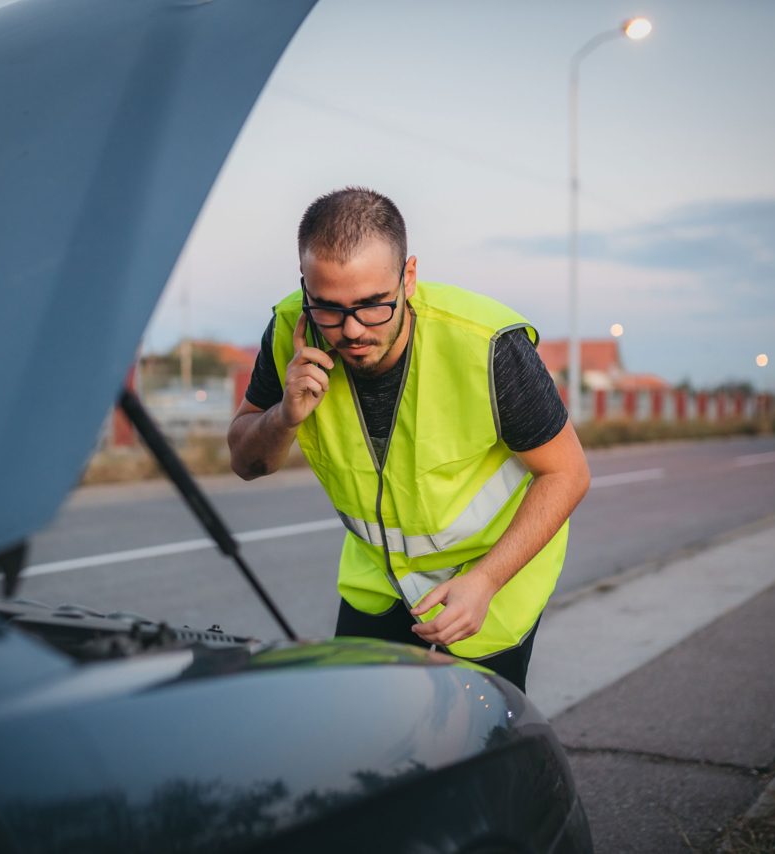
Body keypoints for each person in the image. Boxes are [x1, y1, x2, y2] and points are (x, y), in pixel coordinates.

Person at [227, 187, 590, 692]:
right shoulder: (291, 328)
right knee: (361, 742)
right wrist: (283, 417)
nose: (351, 330)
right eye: (328, 308)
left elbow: (568, 472)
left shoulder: (486, 345)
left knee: (469, 749)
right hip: (378, 583)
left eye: (373, 304)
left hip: (489, 581)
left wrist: (486, 581)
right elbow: (246, 462)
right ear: (305, 286)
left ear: (409, 277)